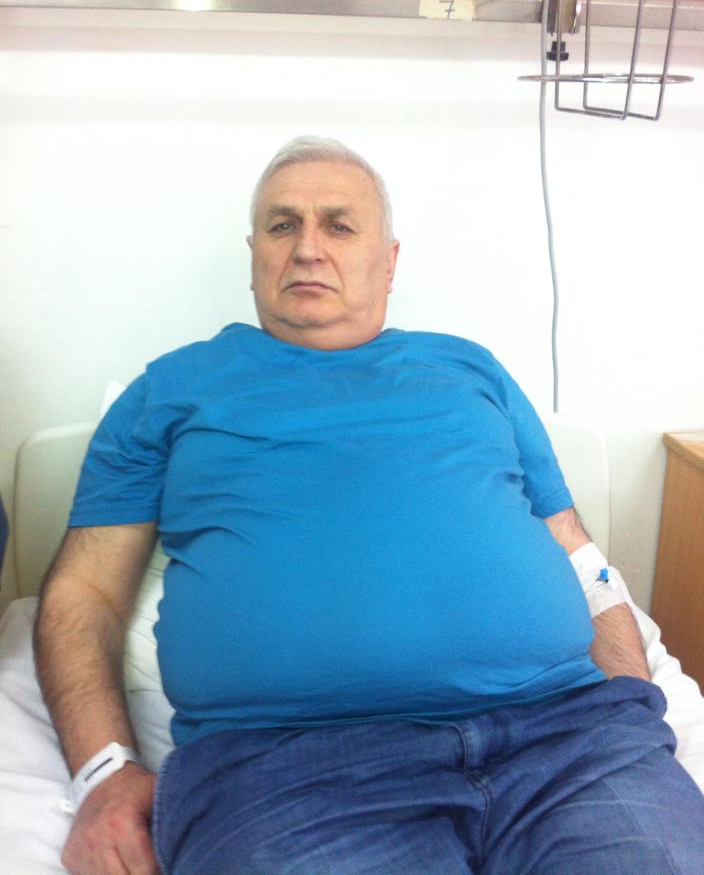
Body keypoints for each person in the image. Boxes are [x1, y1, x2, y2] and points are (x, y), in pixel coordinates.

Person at [35, 136, 704, 875]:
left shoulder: (470, 370)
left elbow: (579, 553)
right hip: (286, 773)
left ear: (388, 261)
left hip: (566, 743)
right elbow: (85, 591)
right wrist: (103, 772)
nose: (307, 247)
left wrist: (633, 703)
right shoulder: (170, 391)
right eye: (282, 225)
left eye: (339, 225)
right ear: (254, 255)